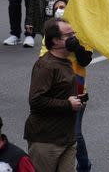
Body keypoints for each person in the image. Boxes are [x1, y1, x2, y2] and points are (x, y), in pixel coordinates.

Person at [24, 18, 85, 172]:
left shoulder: (66, 61)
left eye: (73, 34)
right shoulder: (46, 66)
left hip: (67, 139)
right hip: (46, 141)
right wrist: (68, 104)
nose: (74, 38)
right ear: (56, 41)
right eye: (69, 35)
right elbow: (36, 101)